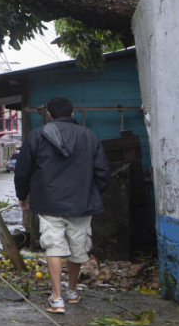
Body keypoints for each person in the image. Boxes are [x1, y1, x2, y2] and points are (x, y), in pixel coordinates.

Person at [14, 96, 110, 314]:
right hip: (82, 203)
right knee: (78, 246)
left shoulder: (36, 136)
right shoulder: (90, 136)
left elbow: (22, 171)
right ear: (72, 114)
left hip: (49, 203)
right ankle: (73, 291)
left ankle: (56, 298)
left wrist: (23, 195)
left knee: (54, 246)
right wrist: (91, 193)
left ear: (49, 115)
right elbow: (103, 173)